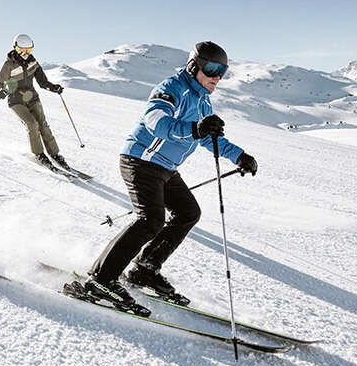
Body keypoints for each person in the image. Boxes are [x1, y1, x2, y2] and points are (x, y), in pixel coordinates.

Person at [65, 41, 258, 315]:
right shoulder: (172, 88)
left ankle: (144, 269)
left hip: (165, 168)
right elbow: (155, 121)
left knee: (188, 212)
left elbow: (208, 138)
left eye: (222, 71)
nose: (217, 77)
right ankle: (101, 280)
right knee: (150, 221)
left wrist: (239, 156)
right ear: (194, 66)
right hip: (141, 160)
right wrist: (194, 128)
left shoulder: (203, 100)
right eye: (212, 69)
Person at [0, 34, 68, 168]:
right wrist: (0, 91)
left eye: (28, 50)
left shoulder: (33, 63)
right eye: (21, 50)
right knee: (32, 124)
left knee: (43, 125)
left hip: (32, 98)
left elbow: (43, 82)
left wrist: (54, 88)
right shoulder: (9, 65)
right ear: (15, 48)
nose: (25, 53)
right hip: (16, 100)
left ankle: (55, 154)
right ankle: (39, 154)